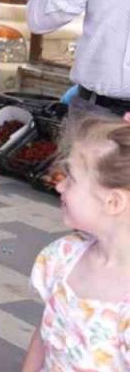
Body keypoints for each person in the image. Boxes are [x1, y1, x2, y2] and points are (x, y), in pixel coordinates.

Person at [22, 116, 130, 371]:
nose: (59, 186)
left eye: (70, 178)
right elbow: (46, 332)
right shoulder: (63, 256)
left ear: (113, 203)